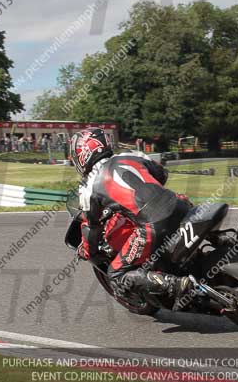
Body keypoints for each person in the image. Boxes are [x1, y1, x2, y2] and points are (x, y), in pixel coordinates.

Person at [72, 127, 193, 308]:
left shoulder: (88, 186)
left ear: (82, 154)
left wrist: (88, 251)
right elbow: (161, 174)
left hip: (152, 224)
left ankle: (175, 284)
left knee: (117, 275)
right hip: (179, 204)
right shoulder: (132, 155)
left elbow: (92, 226)